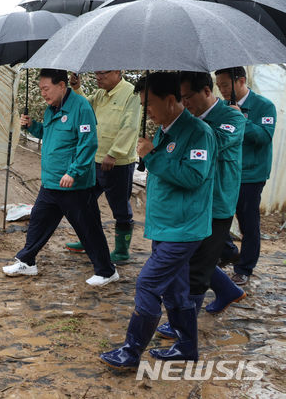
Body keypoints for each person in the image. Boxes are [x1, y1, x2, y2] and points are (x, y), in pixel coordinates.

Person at [100, 72, 216, 369]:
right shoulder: (165, 129)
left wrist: (153, 155)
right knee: (174, 289)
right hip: (165, 226)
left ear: (170, 99)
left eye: (149, 103)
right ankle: (187, 346)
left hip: (184, 228)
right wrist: (153, 151)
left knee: (148, 284)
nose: (146, 110)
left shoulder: (198, 133)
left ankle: (131, 350)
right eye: (143, 104)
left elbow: (193, 177)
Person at [152, 71, 247, 354]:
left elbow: (211, 142)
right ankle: (228, 290)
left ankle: (184, 329)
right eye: (179, 98)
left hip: (217, 203)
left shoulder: (232, 118)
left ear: (207, 91)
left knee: (197, 268)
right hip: (193, 201)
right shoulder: (188, 122)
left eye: (187, 97)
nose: (184, 103)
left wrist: (183, 124)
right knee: (190, 258)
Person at [2, 68, 118, 287]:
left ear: (62, 86)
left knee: (88, 228)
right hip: (51, 181)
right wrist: (32, 126)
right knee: (38, 221)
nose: (43, 93)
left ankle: (106, 271)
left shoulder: (81, 107)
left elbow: (88, 142)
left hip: (74, 185)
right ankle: (27, 261)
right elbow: (50, 135)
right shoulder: (51, 109)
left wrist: (73, 172)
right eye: (40, 89)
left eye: (46, 89)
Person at [67, 71, 140, 262]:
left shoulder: (130, 93)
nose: (99, 77)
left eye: (103, 73)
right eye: (97, 73)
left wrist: (115, 153)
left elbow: (130, 126)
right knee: (86, 200)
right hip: (95, 158)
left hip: (117, 162)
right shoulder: (100, 94)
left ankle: (122, 251)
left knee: (120, 206)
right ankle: (89, 240)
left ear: (118, 72)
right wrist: (76, 88)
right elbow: (85, 107)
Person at [214, 67, 276, 286]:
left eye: (224, 85)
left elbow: (264, 137)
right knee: (217, 217)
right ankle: (229, 252)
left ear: (241, 80)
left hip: (251, 175)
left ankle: (244, 268)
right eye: (218, 85)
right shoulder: (221, 106)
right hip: (225, 172)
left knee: (248, 222)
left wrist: (240, 119)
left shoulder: (264, 106)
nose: (221, 90)